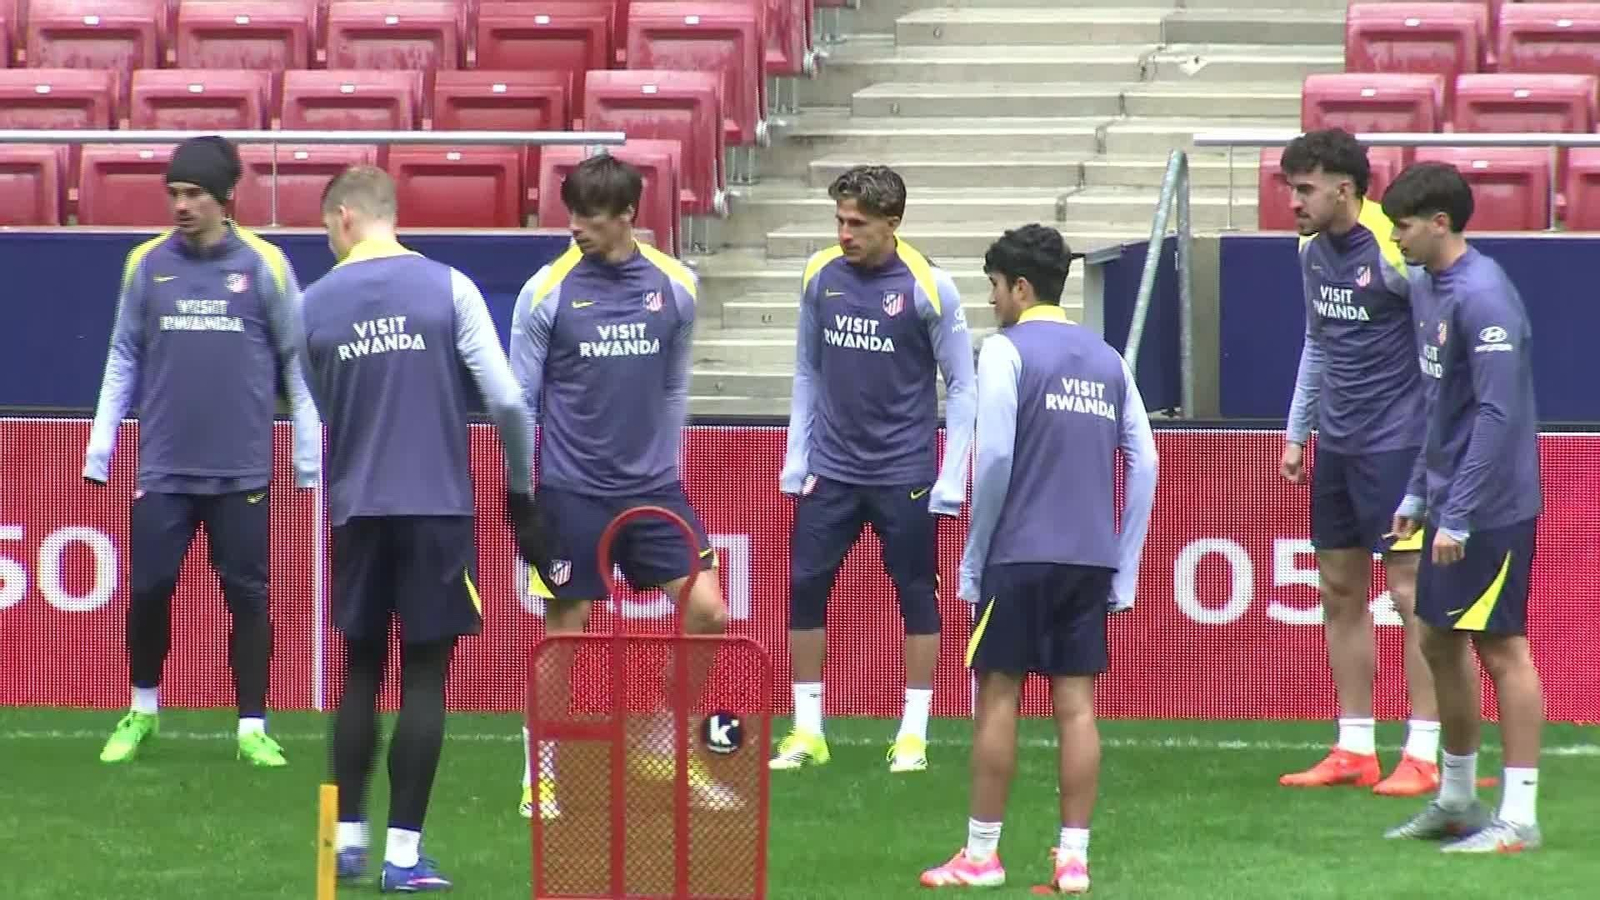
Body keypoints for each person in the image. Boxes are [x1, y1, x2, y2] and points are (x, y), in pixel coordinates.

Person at [297, 165, 542, 891]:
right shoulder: (452, 287)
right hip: (436, 503)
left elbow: (314, 410)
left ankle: (345, 841)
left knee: (359, 669)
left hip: (356, 507)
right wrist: (521, 490)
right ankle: (402, 858)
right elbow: (507, 402)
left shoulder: (310, 305)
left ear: (343, 218)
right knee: (425, 675)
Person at [919, 225, 1156, 893]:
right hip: (1089, 558)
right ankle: (1074, 858)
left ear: (1020, 288)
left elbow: (991, 457)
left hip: (1019, 553)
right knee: (1077, 706)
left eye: (994, 288)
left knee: (997, 699)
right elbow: (1147, 461)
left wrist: (976, 550)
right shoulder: (1109, 357)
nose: (992, 301)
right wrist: (1125, 561)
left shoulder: (1005, 350)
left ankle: (982, 854)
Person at [84, 135, 321, 768]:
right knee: (150, 589)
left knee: (247, 596)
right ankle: (142, 709)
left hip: (240, 468)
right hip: (162, 465)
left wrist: (307, 453)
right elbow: (122, 354)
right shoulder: (146, 264)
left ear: (225, 198)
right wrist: (100, 444)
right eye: (175, 194)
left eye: (193, 194)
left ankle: (251, 726)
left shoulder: (266, 266)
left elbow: (295, 361)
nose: (181, 205)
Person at [509, 154, 734, 821]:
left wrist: (665, 461)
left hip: (654, 489)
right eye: (572, 213)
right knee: (567, 630)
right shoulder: (545, 292)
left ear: (628, 215)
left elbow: (672, 383)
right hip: (570, 490)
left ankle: (668, 742)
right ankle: (538, 774)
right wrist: (521, 495)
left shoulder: (676, 286)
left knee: (708, 612)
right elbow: (521, 398)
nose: (577, 227)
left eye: (592, 217)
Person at [773, 164, 976, 774]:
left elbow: (962, 385)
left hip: (903, 470)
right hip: (830, 470)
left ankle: (912, 734)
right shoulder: (819, 276)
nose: (844, 233)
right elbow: (807, 369)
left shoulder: (928, 286)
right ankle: (809, 730)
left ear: (892, 223)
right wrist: (796, 453)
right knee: (805, 589)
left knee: (916, 597)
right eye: (839, 220)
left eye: (857, 223)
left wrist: (953, 472)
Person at [1277, 128, 1446, 796]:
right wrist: (1298, 433)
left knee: (1410, 595)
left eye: (1304, 189)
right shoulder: (1310, 253)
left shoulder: (1396, 252)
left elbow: (1439, 351)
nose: (1293, 202)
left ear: (1344, 189)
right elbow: (1317, 342)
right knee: (1339, 590)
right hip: (1338, 447)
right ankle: (1354, 746)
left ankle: (1425, 750)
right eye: (1291, 188)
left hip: (1398, 446)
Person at [1382, 161, 1545, 853]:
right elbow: (1439, 405)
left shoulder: (1484, 297)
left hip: (1492, 506)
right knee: (1437, 639)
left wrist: (1460, 512)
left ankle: (1519, 818)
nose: (1396, 240)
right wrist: (1421, 492)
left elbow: (1497, 414)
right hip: (1449, 497)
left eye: (1405, 226)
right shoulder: (1426, 288)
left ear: (1441, 222)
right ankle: (1455, 799)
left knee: (1500, 647)